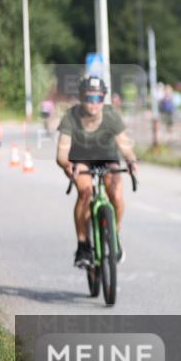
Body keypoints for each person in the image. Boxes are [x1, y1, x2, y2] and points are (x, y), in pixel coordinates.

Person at [56, 76, 138, 267]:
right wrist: (68, 166)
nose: (94, 103)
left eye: (98, 98)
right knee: (85, 193)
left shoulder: (111, 115)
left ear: (103, 99)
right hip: (81, 160)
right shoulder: (70, 117)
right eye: (89, 98)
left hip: (107, 157)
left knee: (116, 195)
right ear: (81, 98)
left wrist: (131, 160)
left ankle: (114, 234)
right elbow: (61, 154)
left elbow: (125, 145)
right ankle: (83, 245)